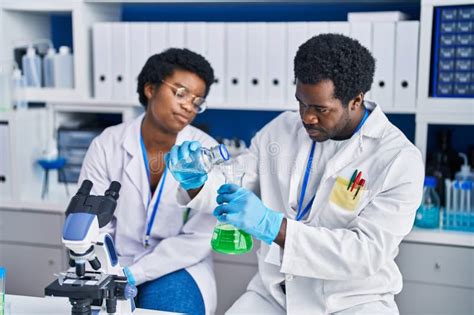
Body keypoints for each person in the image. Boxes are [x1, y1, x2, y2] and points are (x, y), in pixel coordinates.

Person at [167, 34, 425, 314]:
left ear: (356, 100)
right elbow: (237, 181)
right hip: (274, 297)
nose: (307, 117)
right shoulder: (282, 129)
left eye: (320, 109)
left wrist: (272, 226)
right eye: (302, 103)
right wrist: (197, 181)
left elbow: (365, 254)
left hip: (351, 303)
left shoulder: (398, 158)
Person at [79, 48, 218, 315]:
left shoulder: (205, 151)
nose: (189, 106)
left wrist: (138, 273)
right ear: (150, 88)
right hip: (113, 261)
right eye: (180, 93)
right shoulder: (108, 144)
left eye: (197, 101)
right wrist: (109, 270)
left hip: (177, 265)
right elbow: (93, 223)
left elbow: (200, 236)